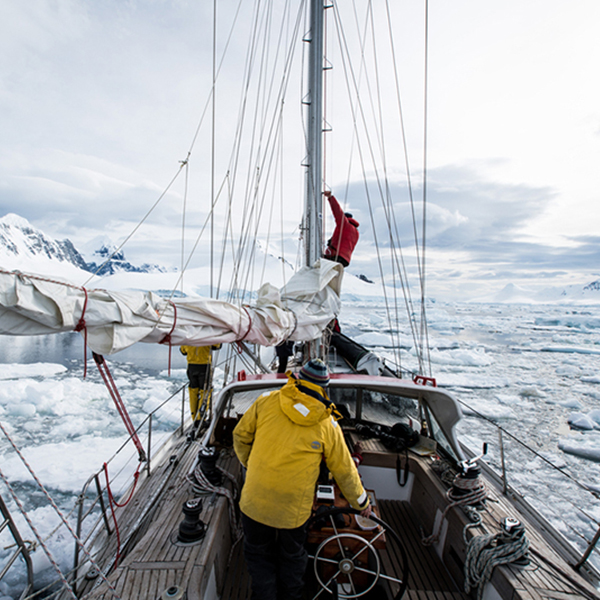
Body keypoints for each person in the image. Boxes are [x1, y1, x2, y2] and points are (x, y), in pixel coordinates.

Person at [233, 358, 371, 600]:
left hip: (254, 502)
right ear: (324, 388)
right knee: (293, 556)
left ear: (297, 379)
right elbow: (345, 470)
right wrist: (362, 504)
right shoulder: (328, 424)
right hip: (292, 511)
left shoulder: (266, 402)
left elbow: (240, 436)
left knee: (258, 555)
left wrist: (250, 464)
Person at [180, 344, 221, 422]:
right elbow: (217, 345)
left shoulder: (188, 338)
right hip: (204, 366)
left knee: (193, 392)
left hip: (191, 367)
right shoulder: (207, 337)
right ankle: (200, 418)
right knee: (205, 392)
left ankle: (194, 417)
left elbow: (183, 351)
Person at [323, 190, 360, 267]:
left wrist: (330, 198)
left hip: (336, 255)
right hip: (345, 260)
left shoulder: (345, 224)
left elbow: (337, 212)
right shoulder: (356, 232)